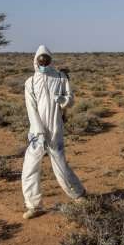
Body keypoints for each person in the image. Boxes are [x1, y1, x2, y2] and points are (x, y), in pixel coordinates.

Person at [21, 45, 86, 219]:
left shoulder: (60, 77)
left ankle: (78, 194)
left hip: (55, 127)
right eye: (40, 60)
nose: (43, 62)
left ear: (50, 60)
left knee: (60, 164)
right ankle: (33, 205)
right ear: (36, 60)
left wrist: (63, 100)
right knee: (30, 167)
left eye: (46, 59)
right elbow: (31, 109)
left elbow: (70, 100)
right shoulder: (30, 82)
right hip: (37, 130)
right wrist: (38, 131)